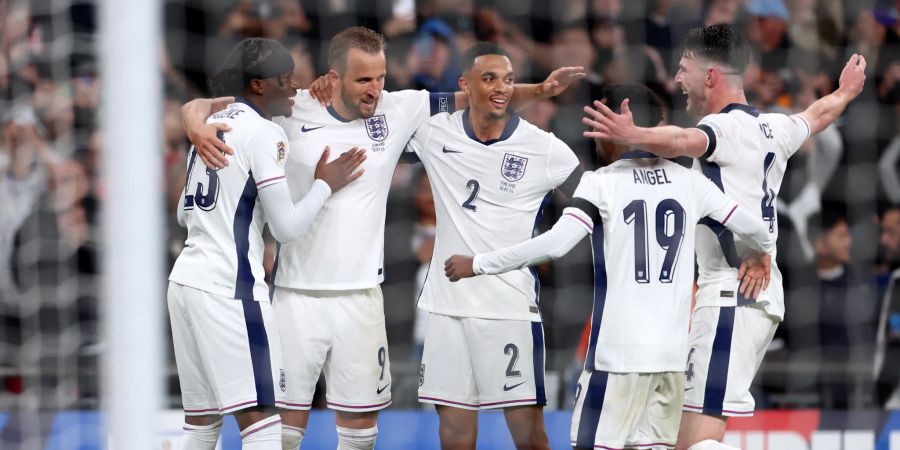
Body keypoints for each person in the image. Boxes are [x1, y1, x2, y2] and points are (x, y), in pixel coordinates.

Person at [182, 27, 583, 450]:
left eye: (380, 77)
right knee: (282, 432)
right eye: (363, 80)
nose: (375, 90)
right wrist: (194, 123)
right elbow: (217, 106)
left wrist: (540, 89)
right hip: (294, 296)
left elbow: (482, 100)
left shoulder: (401, 109)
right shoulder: (291, 106)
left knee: (360, 437)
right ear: (333, 78)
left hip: (362, 299)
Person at [443, 82, 775, 450]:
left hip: (615, 359)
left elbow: (555, 243)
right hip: (671, 361)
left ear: (610, 128)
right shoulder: (692, 183)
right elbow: (756, 226)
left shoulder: (601, 183)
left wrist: (479, 263)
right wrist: (760, 251)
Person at [581, 24, 867, 450]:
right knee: (684, 436)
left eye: (684, 69)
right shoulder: (775, 127)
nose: (678, 79)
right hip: (751, 295)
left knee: (698, 441)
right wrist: (844, 93)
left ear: (710, 76)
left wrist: (634, 135)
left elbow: (682, 139)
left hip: (731, 293)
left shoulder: (724, 129)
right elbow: (817, 115)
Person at [167, 37, 364, 450]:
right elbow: (288, 228)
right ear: (258, 86)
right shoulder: (265, 133)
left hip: (185, 282)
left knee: (201, 425)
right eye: (285, 80)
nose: (293, 87)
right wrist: (324, 186)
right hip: (230, 289)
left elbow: (184, 215)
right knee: (262, 427)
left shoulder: (209, 127)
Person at [406, 42, 585, 450]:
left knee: (528, 435)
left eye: (508, 79)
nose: (501, 88)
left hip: (509, 308)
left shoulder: (544, 148)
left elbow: (594, 204)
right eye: (489, 79)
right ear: (464, 85)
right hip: (447, 306)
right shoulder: (435, 133)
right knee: (452, 434)